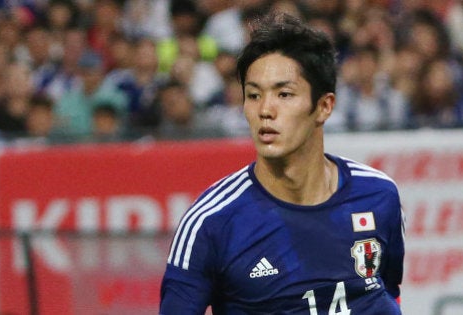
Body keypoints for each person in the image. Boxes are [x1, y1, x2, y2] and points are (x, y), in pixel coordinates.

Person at [160, 13, 405, 314]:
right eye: (253, 95)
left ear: (324, 106)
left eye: (284, 94)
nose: (265, 109)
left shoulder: (379, 195)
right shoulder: (212, 222)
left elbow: (389, 294)